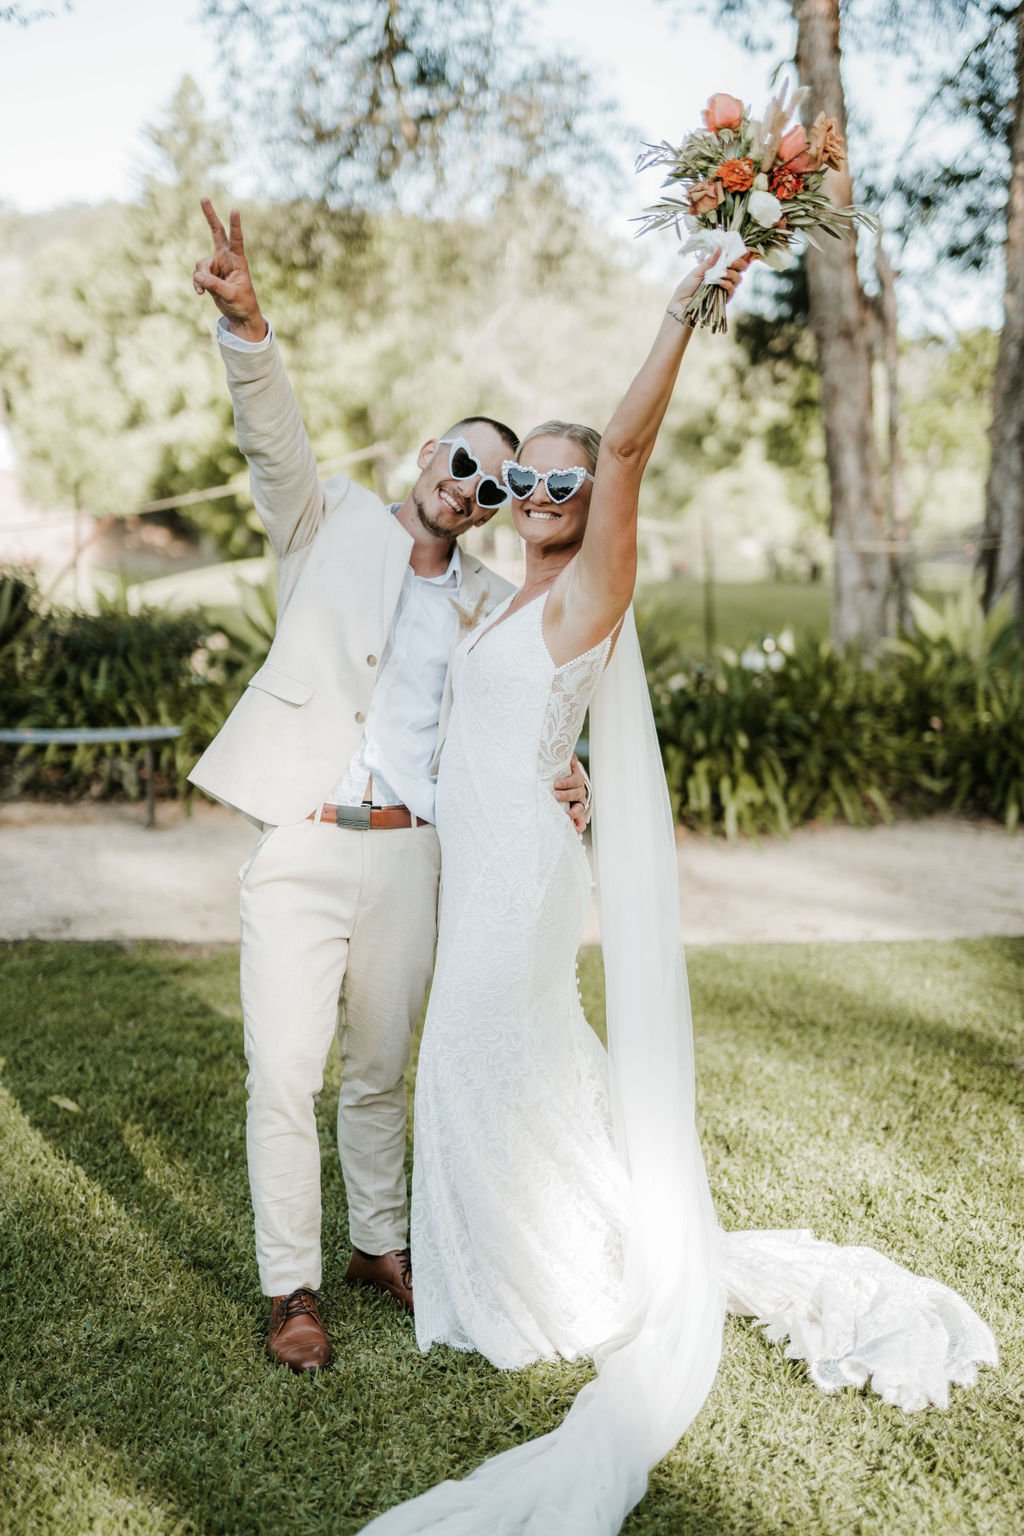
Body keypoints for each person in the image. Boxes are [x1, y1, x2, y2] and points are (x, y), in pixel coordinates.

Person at [359, 254, 997, 1534]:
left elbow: (635, 448)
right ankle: (533, 1266)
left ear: (591, 498)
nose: (534, 493)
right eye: (520, 477)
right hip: (496, 853)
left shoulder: (593, 584)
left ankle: (558, 1290)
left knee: (482, 1047)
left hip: (523, 883)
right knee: (493, 1060)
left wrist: (679, 310)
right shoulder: (501, 600)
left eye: (559, 478)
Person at [187, 199, 590, 1373]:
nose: (471, 485)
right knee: (283, 1074)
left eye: (497, 482)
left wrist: (562, 778)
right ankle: (292, 1288)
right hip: (303, 841)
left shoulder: (481, 606)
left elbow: (521, 712)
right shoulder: (330, 523)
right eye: (462, 460)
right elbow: (273, 436)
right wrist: (249, 321)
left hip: (413, 854)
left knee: (378, 1070)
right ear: (427, 457)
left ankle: (378, 1243)